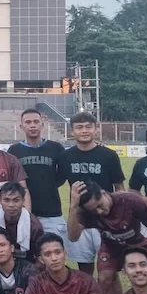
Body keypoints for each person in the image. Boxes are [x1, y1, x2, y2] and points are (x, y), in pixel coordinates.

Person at [68, 180, 147, 294]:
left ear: (104, 193)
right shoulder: (86, 212)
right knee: (104, 278)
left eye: (99, 205)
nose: (99, 212)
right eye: (94, 211)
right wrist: (73, 207)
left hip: (144, 242)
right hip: (113, 245)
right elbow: (73, 237)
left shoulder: (130, 201)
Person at [57, 112, 124, 273]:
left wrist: (119, 215)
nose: (84, 131)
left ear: (96, 129)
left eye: (88, 127)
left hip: (105, 217)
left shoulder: (109, 155)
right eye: (79, 127)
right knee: (84, 269)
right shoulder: (65, 156)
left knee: (108, 271)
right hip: (81, 217)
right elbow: (56, 182)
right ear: (72, 131)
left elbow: (119, 187)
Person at [7, 109, 65, 240]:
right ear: (21, 126)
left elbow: (62, 176)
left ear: (42, 125)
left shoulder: (56, 148)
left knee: (55, 250)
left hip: (52, 213)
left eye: (36, 122)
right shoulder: (14, 150)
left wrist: (48, 185)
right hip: (23, 213)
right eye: (28, 122)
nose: (32, 125)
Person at [0, 181, 43, 261]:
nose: (11, 205)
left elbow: (40, 257)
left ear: (23, 201)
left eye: (16, 200)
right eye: (6, 200)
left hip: (24, 262)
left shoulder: (34, 226)